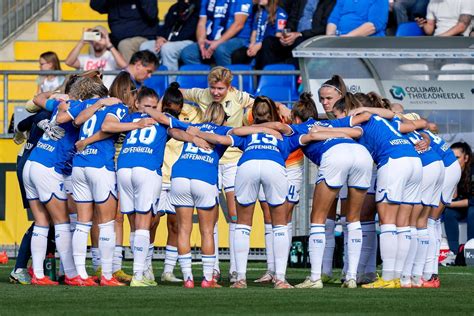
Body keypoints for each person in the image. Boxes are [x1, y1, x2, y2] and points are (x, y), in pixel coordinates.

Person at [195, 96, 338, 289]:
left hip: (247, 165)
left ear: (253, 115)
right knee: (279, 225)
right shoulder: (285, 134)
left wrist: (195, 133)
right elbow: (311, 136)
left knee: (243, 225)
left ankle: (240, 279)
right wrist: (343, 135)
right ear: (274, 114)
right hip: (274, 165)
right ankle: (280, 278)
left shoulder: (246, 133)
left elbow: (220, 139)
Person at [180, 66, 290, 281]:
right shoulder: (201, 94)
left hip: (231, 159)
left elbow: (262, 102)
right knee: (208, 212)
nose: (215, 93)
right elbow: (180, 92)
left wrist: (281, 106)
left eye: (220, 88)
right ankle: (213, 267)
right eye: (213, 87)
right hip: (208, 158)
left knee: (234, 215)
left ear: (228, 86)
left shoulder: (239, 97)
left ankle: (234, 269)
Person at [258, 0, 336, 68]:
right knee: (268, 42)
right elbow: (292, 18)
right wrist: (287, 35)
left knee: (299, 42)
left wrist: (300, 34)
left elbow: (324, 27)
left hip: (313, 39)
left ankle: (292, 79)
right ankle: (269, 79)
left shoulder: (329, 1)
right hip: (295, 37)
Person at [139, 0, 200, 82]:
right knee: (145, 46)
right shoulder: (175, 7)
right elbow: (165, 27)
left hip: (188, 41)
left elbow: (191, 31)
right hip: (168, 40)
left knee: (168, 48)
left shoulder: (199, 7)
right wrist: (160, 38)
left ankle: (171, 86)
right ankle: (147, 83)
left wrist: (169, 41)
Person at [180, 0, 253, 66]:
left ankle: (226, 79)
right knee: (187, 53)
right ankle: (205, 79)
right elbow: (202, 23)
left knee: (220, 50)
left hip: (239, 38)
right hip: (212, 39)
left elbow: (238, 24)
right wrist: (201, 41)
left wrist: (218, 42)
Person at [90, 0, 159, 63]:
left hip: (141, 37)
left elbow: (152, 14)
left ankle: (129, 76)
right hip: (116, 38)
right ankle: (96, 75)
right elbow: (95, 5)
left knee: (124, 44)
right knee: (95, 37)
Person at [442, 142, 473, 265]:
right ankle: (453, 253)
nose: (453, 161)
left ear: (466, 158)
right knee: (449, 213)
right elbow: (452, 196)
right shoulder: (450, 170)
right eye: (451, 158)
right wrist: (454, 176)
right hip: (459, 207)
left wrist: (449, 204)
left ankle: (471, 250)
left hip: (470, 207)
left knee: (472, 211)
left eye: (457, 158)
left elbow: (472, 201)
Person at [231, 0, 288, 67]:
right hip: (255, 44)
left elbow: (278, 37)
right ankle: (240, 77)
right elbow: (254, 31)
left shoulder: (280, 14)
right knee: (237, 55)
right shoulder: (259, 12)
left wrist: (259, 46)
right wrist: (252, 44)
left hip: (266, 47)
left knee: (261, 55)